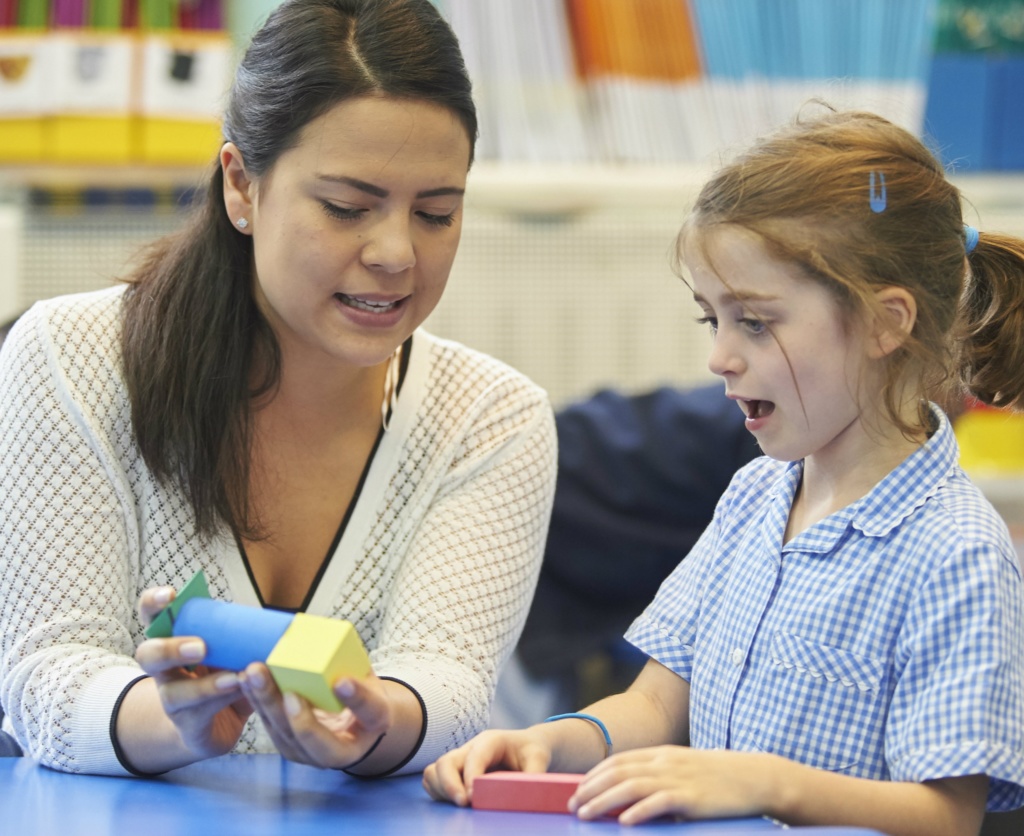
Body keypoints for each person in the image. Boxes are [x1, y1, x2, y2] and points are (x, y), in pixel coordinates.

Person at [424, 108, 1024, 836]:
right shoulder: (753, 497)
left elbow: (946, 817)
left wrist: (763, 783)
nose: (720, 358)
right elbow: (651, 706)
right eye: (714, 320)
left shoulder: (957, 554)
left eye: (756, 321)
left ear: (885, 323)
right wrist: (549, 742)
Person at [0, 0, 556, 778]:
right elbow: (46, 671)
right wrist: (175, 721)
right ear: (241, 187)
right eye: (346, 207)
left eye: (436, 213)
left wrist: (375, 723)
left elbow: (451, 680)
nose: (396, 252)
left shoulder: (492, 417)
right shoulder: (72, 357)